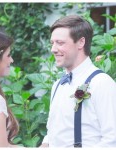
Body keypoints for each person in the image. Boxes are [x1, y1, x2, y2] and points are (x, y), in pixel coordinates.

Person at [40, 15, 116, 147]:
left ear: (81, 42)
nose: (53, 49)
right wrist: (45, 143)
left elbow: (112, 139)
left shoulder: (102, 83)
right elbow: (54, 130)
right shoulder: (58, 84)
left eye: (60, 42)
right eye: (52, 43)